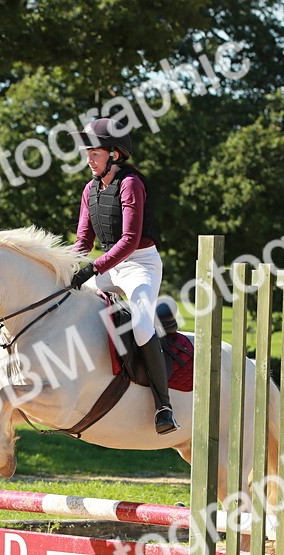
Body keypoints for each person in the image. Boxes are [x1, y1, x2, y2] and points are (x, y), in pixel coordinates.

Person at [69, 117, 178, 435]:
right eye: (88, 152)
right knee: (65, 301)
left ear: (114, 154)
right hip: (107, 265)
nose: (88, 158)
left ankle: (164, 406)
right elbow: (82, 242)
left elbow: (129, 240)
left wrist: (93, 268)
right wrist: (66, 267)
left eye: (94, 152)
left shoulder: (131, 184)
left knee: (142, 326)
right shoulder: (90, 189)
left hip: (140, 264)